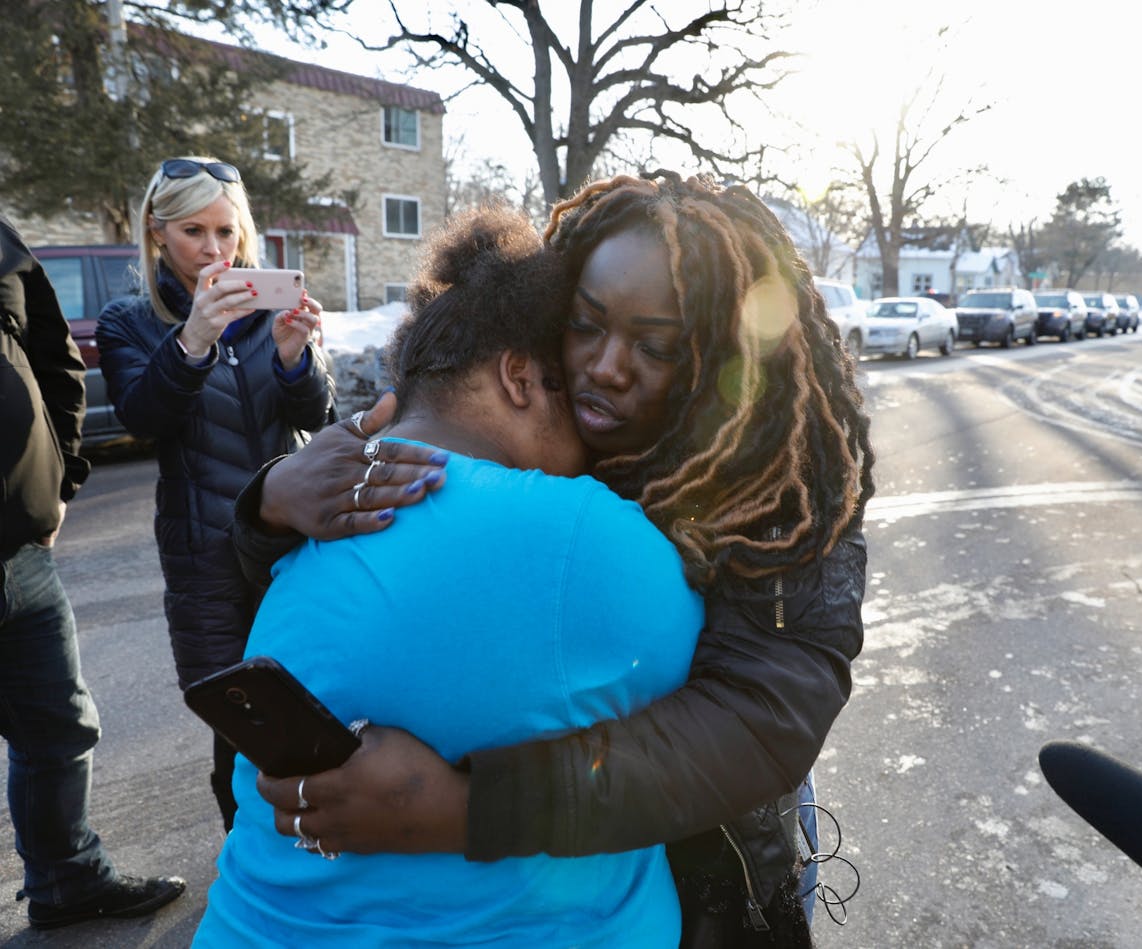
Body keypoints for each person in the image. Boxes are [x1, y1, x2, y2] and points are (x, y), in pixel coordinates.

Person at [233, 172, 874, 945]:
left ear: (717, 352)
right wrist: (271, 499)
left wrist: (471, 808)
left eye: (656, 345)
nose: (605, 365)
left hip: (716, 877)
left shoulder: (779, 487)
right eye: (585, 324)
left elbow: (763, 716)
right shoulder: (552, 436)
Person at [195, 205, 704, 945]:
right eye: (572, 390)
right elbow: (721, 705)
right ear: (520, 376)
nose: (594, 431)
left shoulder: (305, 516)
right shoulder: (583, 532)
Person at [95, 157, 336, 831]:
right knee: (238, 722)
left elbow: (316, 416)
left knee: (310, 703)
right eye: (194, 230)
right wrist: (193, 338)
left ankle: (311, 861)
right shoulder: (130, 321)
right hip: (204, 558)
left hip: (289, 548)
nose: (214, 249)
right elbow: (144, 418)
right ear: (156, 233)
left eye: (227, 230)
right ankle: (246, 868)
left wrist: (294, 356)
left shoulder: (267, 309)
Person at [0, 214, 187, 929]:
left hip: (22, 550)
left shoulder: (1, 239)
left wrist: (62, 477)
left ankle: (67, 880)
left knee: (59, 728)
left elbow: (53, 352)